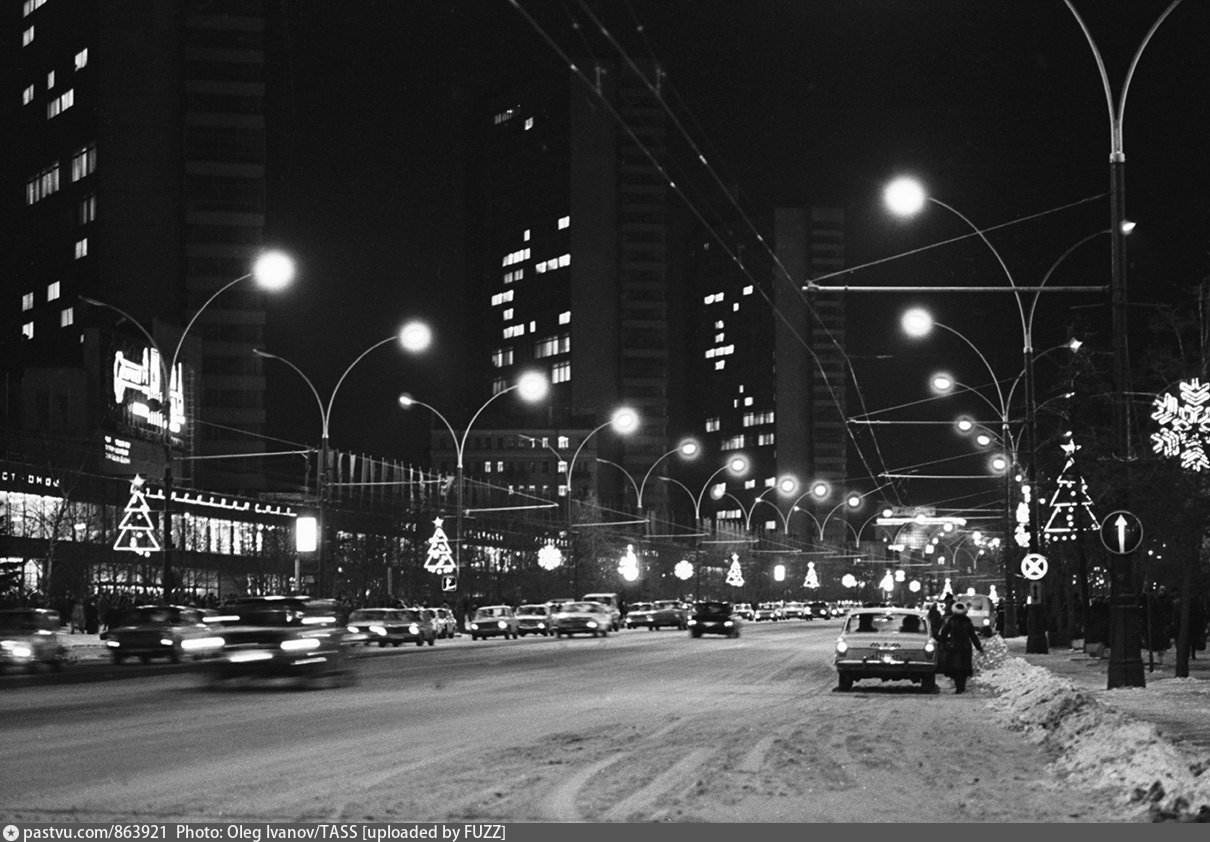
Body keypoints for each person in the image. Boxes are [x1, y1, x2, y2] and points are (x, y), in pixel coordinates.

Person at [937, 601, 984, 694]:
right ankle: (961, 685)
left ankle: (959, 685)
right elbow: (973, 635)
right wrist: (978, 647)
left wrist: (942, 643)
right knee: (964, 667)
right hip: (965, 647)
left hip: (954, 647)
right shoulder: (967, 621)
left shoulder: (951, 621)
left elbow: (943, 633)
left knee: (956, 667)